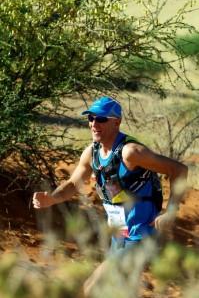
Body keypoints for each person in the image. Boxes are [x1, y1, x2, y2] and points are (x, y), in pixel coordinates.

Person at [33, 96, 188, 294]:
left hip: (142, 235)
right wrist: (52, 198)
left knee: (92, 287)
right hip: (119, 236)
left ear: (117, 122)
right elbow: (74, 183)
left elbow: (179, 170)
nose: (94, 124)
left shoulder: (131, 152)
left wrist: (171, 211)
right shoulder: (92, 152)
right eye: (90, 118)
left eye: (101, 119)